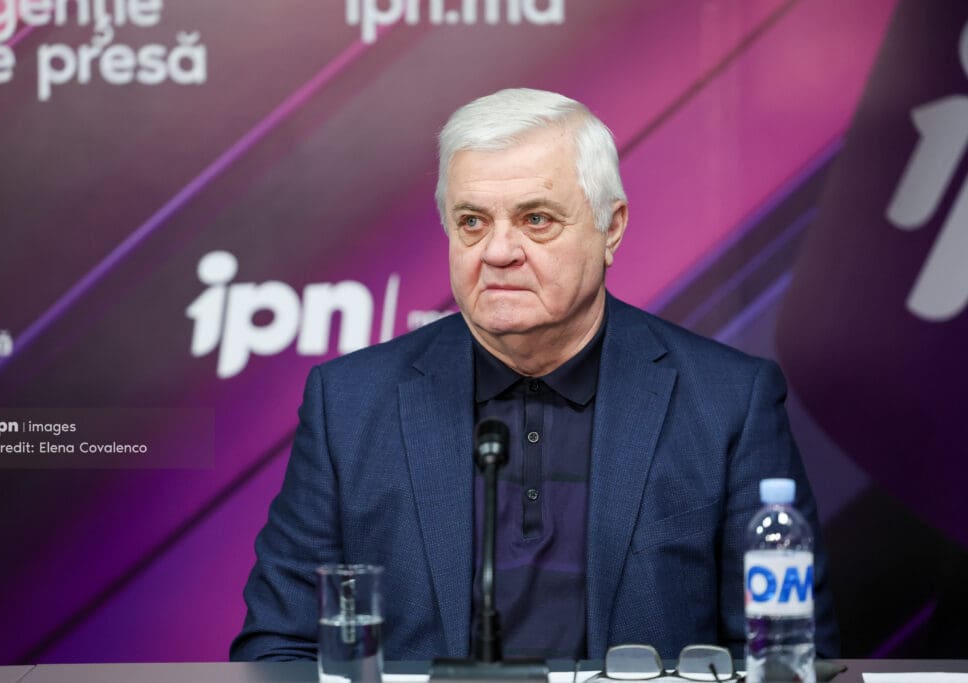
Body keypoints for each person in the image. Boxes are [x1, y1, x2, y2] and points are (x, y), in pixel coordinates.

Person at [230, 88, 839, 662]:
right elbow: (278, 647)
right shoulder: (349, 404)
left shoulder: (728, 403)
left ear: (611, 228)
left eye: (537, 219)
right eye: (472, 222)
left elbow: (786, 656)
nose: (498, 252)